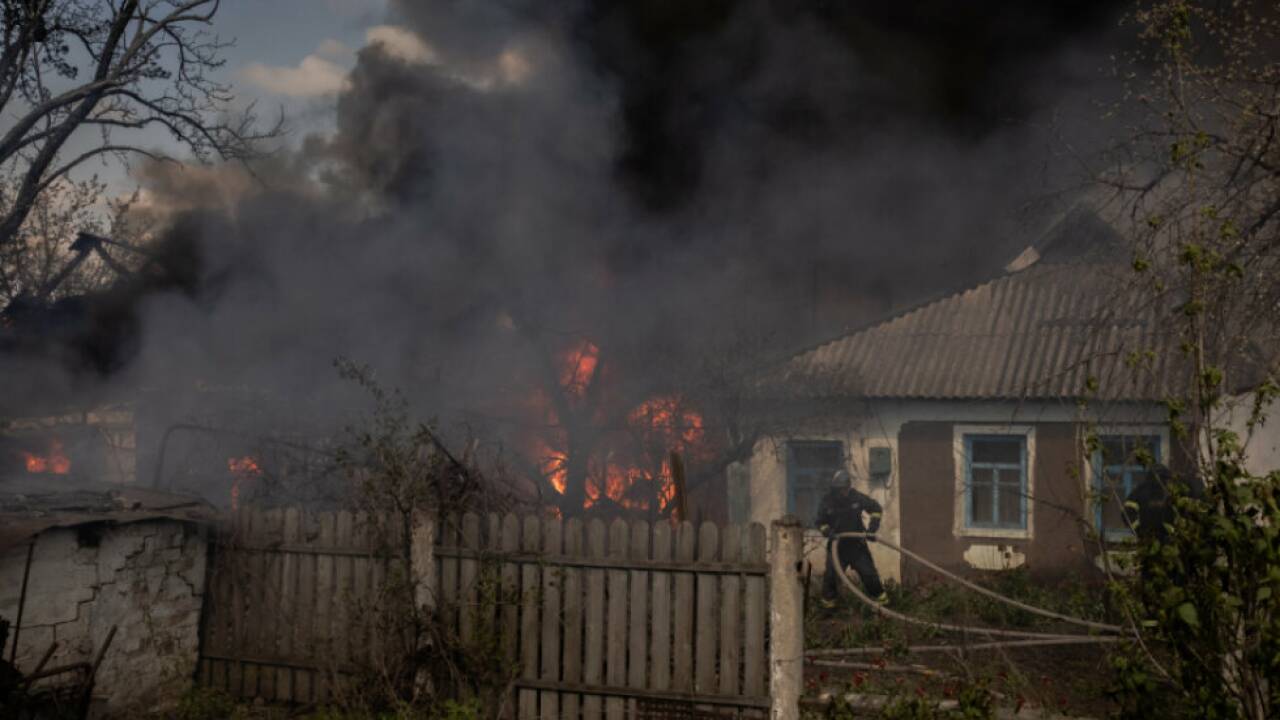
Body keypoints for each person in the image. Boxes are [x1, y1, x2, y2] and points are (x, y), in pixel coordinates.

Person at [817, 469, 886, 605]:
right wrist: (827, 531)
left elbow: (876, 508)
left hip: (857, 547)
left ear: (849, 486)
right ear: (835, 489)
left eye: (845, 489)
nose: (843, 492)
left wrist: (872, 529)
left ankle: (883, 604)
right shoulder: (828, 501)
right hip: (837, 548)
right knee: (831, 578)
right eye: (840, 490)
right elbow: (820, 522)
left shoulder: (856, 497)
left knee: (870, 576)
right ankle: (828, 609)